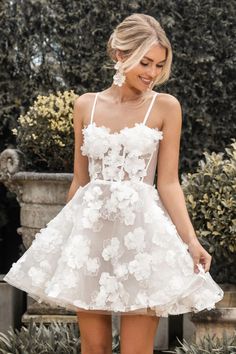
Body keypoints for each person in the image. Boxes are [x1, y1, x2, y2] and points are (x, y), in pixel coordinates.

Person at [4, 13, 223, 354]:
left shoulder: (166, 107)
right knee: (94, 349)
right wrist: (64, 242)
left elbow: (167, 183)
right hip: (91, 239)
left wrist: (191, 241)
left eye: (159, 65)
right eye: (145, 62)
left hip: (142, 242)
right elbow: (80, 180)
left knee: (136, 350)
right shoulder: (85, 106)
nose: (152, 73)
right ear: (120, 54)